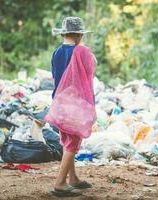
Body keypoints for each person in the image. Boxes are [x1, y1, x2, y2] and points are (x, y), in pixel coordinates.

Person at [49, 17, 94, 197]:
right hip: (74, 104)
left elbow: (56, 77)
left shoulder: (56, 52)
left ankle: (73, 178)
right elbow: (89, 74)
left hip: (59, 102)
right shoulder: (82, 52)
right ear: (78, 34)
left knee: (67, 141)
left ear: (64, 33)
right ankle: (60, 183)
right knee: (73, 143)